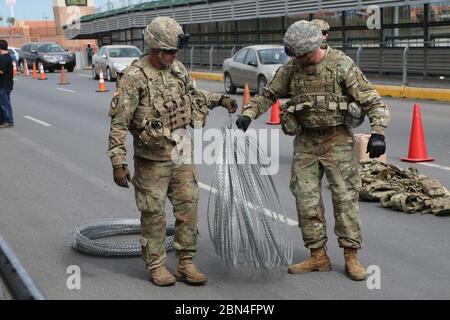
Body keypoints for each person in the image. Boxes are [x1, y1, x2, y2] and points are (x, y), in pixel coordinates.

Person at [236, 20, 390, 281]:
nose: (299, 59)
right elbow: (269, 94)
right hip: (306, 142)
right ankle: (318, 255)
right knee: (305, 199)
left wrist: (378, 132)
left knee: (344, 199)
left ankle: (351, 256)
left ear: (314, 46)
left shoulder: (341, 65)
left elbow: (371, 99)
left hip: (337, 139)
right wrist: (249, 113)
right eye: (295, 56)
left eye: (302, 54)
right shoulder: (293, 67)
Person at [107, 17, 238, 287]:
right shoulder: (134, 78)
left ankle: (186, 263)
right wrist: (117, 162)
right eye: (169, 51)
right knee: (154, 214)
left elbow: (193, 96)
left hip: (181, 154)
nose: (174, 55)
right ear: (154, 49)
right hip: (151, 159)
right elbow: (118, 123)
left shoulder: (177, 68)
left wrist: (219, 100)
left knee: (188, 209)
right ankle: (156, 266)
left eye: (175, 51)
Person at [0, 39, 14, 129]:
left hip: (4, 84)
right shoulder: (6, 56)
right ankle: (2, 120)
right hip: (4, 84)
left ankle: (9, 121)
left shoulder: (4, 58)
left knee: (4, 103)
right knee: (1, 103)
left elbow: (1, 71)